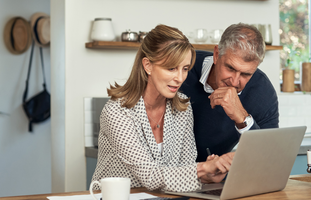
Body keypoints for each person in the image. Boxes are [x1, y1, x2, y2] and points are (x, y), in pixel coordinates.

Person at [91, 24, 231, 192]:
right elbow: (150, 175)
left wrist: (206, 177)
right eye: (171, 68)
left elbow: (184, 168)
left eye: (185, 69)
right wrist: (202, 169)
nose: (180, 78)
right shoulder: (117, 111)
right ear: (148, 65)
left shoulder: (183, 109)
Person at [180, 23, 279, 162]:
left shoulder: (262, 92)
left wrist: (243, 119)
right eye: (230, 68)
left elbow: (269, 156)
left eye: (245, 74)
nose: (234, 82)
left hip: (217, 177)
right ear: (216, 54)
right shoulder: (183, 69)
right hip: (169, 175)